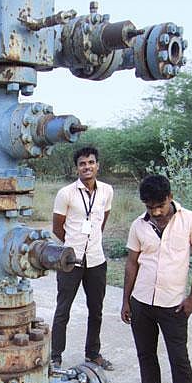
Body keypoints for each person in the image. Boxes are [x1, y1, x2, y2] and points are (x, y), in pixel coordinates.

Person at [122, 174, 192, 383]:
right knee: (145, 352)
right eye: (150, 207)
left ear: (170, 196)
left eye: (160, 205)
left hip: (174, 305)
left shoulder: (191, 220)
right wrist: (126, 300)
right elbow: (131, 263)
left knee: (179, 358)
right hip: (142, 302)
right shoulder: (139, 225)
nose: (156, 212)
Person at [51, 146, 114, 370]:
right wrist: (73, 245)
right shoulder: (66, 193)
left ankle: (93, 353)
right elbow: (57, 227)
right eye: (82, 164)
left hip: (96, 260)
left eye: (91, 162)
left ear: (98, 165)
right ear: (76, 168)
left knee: (96, 309)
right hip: (70, 261)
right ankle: (55, 355)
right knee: (63, 310)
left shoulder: (107, 191)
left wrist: (91, 241)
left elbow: (101, 221)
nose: (87, 167)